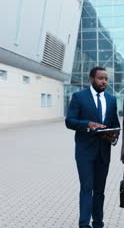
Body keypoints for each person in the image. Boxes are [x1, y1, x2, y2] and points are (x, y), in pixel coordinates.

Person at [65, 66, 120, 228]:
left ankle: (98, 223)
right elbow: (70, 121)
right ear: (91, 79)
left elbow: (115, 124)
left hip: (104, 151)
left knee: (100, 191)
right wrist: (88, 124)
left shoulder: (111, 99)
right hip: (85, 151)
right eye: (100, 78)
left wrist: (113, 136)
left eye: (106, 79)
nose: (104, 81)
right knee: (86, 188)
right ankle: (84, 224)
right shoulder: (79, 97)